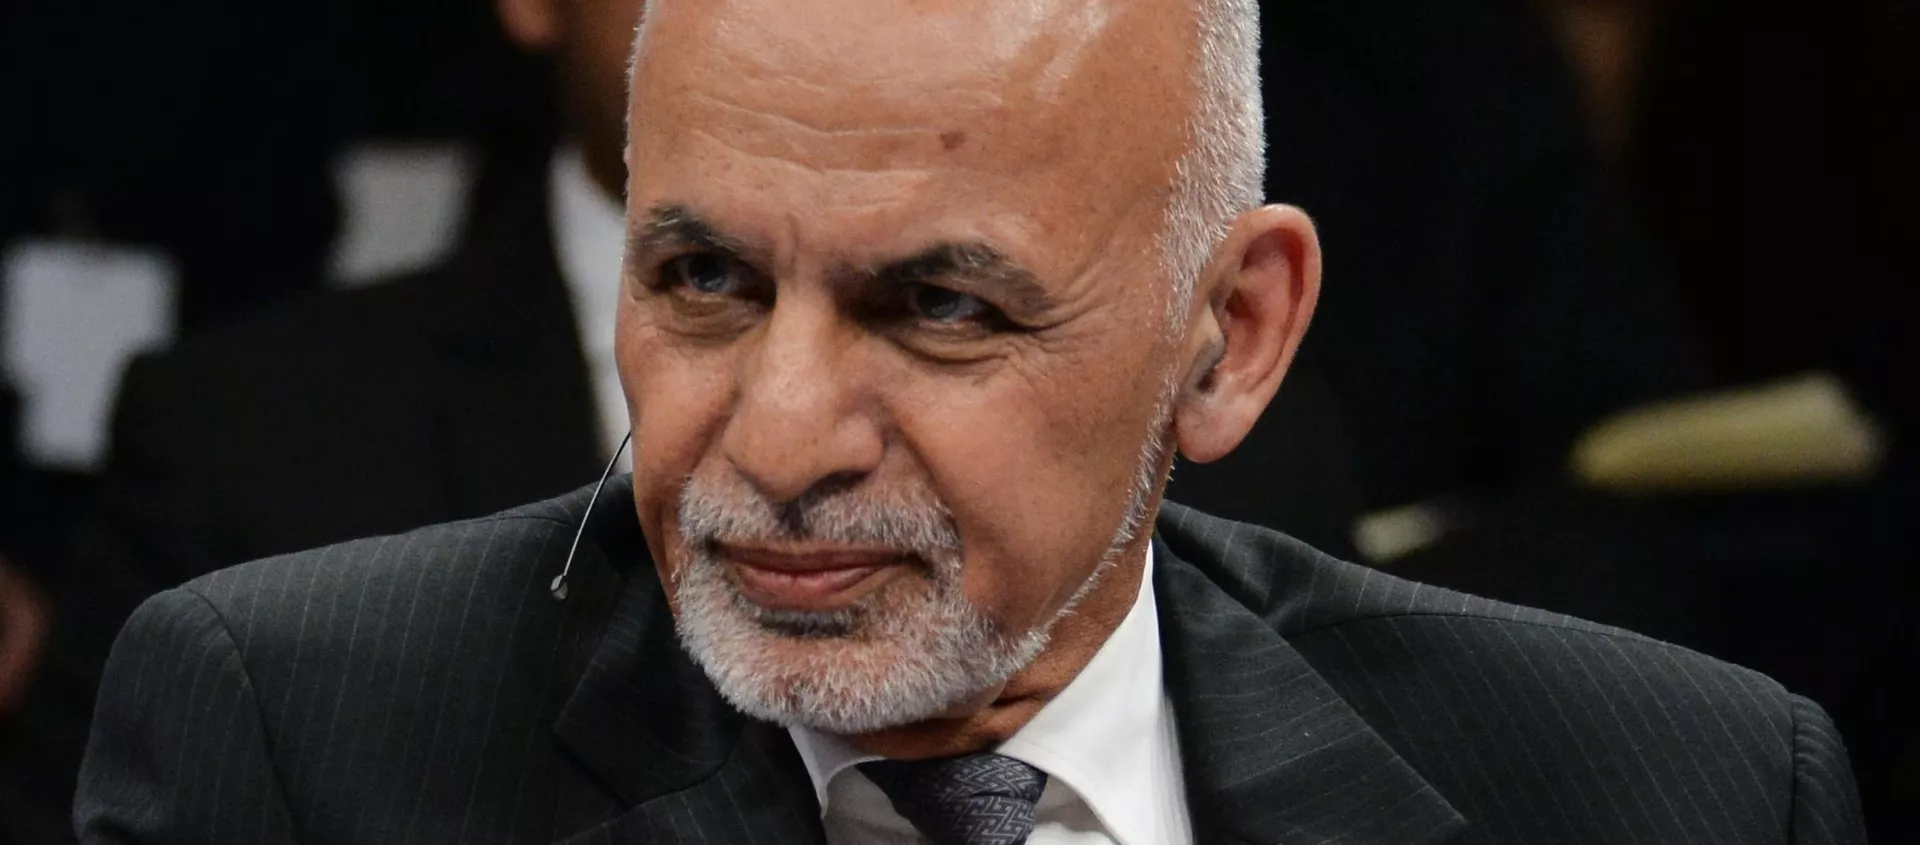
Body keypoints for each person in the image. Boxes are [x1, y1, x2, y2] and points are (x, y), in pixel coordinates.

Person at [76, 0, 1864, 842]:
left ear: (1232, 338)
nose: (780, 438)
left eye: (941, 308)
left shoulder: (1680, 791)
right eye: (705, 281)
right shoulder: (297, 746)